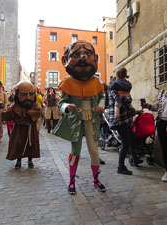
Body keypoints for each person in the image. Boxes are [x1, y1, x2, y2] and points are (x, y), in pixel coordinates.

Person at [53, 40, 106, 195]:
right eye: (77, 54)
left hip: (92, 120)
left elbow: (101, 96)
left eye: (87, 54)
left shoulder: (96, 82)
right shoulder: (68, 83)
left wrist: (101, 105)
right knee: (75, 152)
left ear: (95, 58)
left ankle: (96, 179)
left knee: (94, 151)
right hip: (76, 121)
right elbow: (62, 102)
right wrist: (66, 107)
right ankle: (71, 181)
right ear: (66, 60)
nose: (83, 58)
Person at [108, 68, 142, 175]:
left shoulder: (122, 85)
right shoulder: (114, 87)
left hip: (126, 118)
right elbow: (118, 98)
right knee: (125, 143)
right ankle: (120, 167)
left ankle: (135, 158)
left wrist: (134, 110)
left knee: (132, 138)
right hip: (119, 119)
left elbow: (124, 100)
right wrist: (128, 99)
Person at [2, 81, 41, 169]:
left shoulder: (34, 104)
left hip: (31, 128)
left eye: (31, 94)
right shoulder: (15, 106)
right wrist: (6, 112)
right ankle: (18, 160)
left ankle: (30, 160)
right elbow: (8, 116)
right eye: (24, 94)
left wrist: (31, 114)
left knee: (31, 145)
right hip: (19, 129)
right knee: (18, 144)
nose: (28, 97)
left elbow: (38, 112)